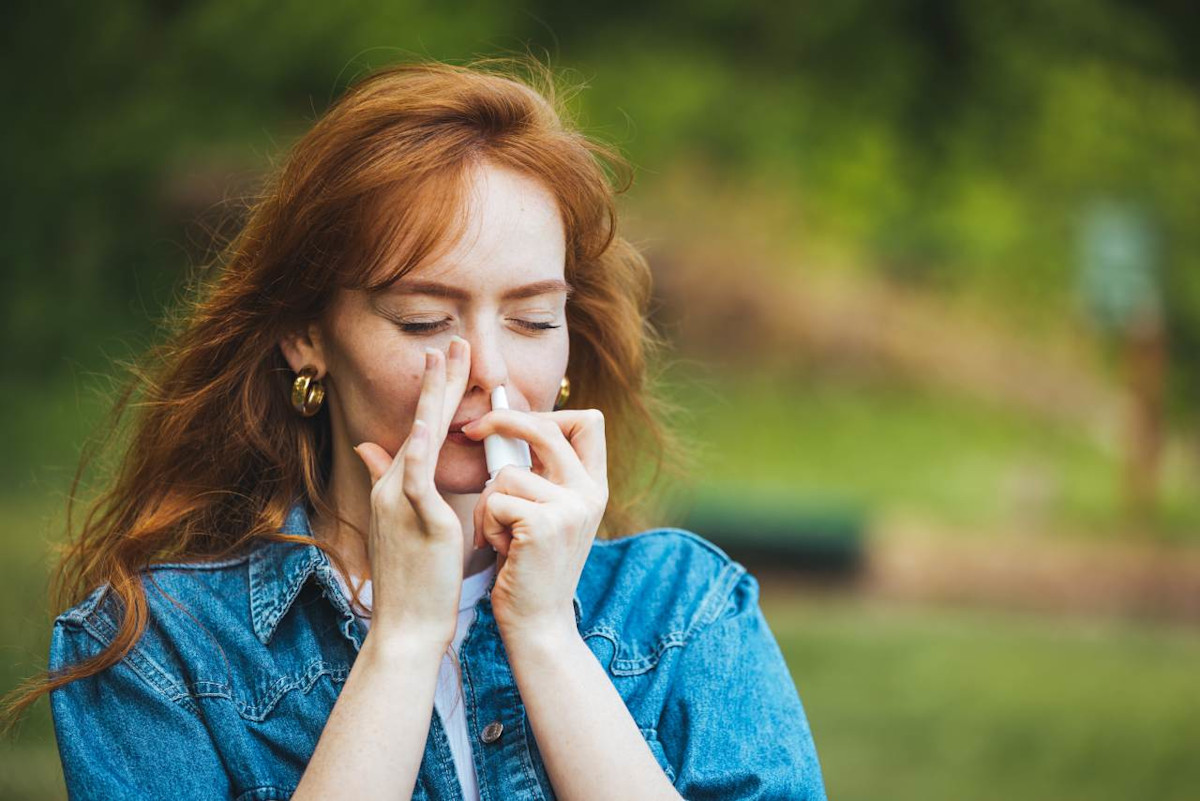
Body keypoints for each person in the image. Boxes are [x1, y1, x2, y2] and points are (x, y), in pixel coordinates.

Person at [10, 57, 827, 799]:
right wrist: (403, 636)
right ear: (307, 334)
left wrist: (545, 634)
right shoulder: (165, 650)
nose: (489, 370)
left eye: (535, 319)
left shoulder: (683, 608)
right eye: (424, 319)